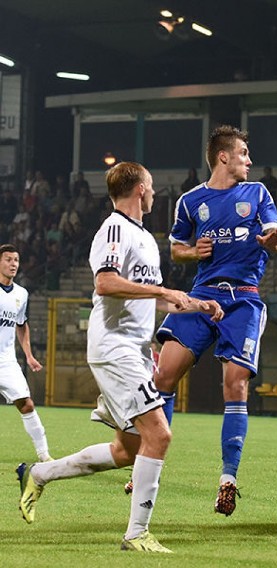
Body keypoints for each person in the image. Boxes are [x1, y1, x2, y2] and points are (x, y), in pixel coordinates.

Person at [16, 162, 223, 553]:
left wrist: (198, 304)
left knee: (127, 450)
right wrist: (164, 294)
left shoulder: (144, 238)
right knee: (159, 435)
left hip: (135, 351)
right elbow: (105, 283)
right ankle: (136, 534)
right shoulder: (114, 229)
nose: (155, 194)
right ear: (139, 189)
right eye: (151, 187)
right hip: (115, 348)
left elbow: (156, 297)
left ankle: (38, 473)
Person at [154, 126, 277, 517]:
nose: (249, 159)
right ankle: (150, 463)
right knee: (164, 376)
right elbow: (176, 250)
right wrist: (194, 251)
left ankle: (228, 481)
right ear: (223, 157)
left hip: (244, 299)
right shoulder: (191, 200)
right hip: (202, 296)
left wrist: (273, 241)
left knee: (235, 387)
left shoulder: (258, 194)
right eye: (244, 153)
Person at [0, 244, 51, 463]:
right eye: (8, 259)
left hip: (6, 361)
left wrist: (28, 355)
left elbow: (22, 324)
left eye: (16, 260)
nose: (13, 264)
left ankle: (44, 455)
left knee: (27, 404)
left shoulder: (22, 294)